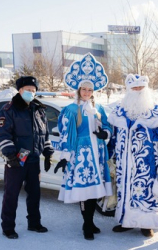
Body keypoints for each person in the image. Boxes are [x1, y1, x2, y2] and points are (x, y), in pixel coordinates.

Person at [53, 53, 112, 240]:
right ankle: (86, 225)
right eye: (84, 89)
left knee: (94, 191)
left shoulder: (100, 108)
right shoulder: (71, 110)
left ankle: (91, 222)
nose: (86, 92)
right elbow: (66, 134)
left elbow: (108, 126)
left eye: (89, 89)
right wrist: (65, 156)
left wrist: (105, 134)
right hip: (81, 155)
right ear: (78, 89)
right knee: (83, 191)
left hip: (98, 154)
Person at [107, 73, 158, 238]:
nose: (138, 91)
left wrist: (147, 132)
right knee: (125, 192)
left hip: (145, 165)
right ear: (128, 90)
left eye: (141, 88)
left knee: (145, 194)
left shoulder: (155, 111)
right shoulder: (119, 111)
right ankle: (126, 222)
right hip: (124, 165)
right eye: (134, 88)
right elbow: (112, 136)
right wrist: (108, 154)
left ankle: (146, 225)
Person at [0, 76, 54, 239]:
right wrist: (10, 155)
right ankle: (8, 227)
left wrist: (47, 152)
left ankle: (34, 223)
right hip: (17, 159)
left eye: (33, 91)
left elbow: (44, 134)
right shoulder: (9, 109)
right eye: (28, 90)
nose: (31, 93)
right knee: (11, 194)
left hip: (33, 158)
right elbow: (2, 134)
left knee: (34, 193)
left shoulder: (39, 109)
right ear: (20, 90)